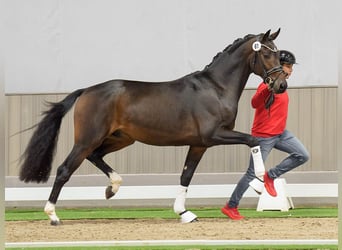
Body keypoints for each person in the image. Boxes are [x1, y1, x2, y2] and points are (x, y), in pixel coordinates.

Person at [221, 50, 310, 220]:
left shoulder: (281, 84)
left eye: (291, 67)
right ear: (280, 66)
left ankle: (270, 176)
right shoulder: (267, 84)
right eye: (289, 67)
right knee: (251, 173)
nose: (291, 70)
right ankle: (230, 206)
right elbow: (254, 103)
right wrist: (267, 90)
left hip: (281, 134)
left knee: (302, 155)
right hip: (264, 136)